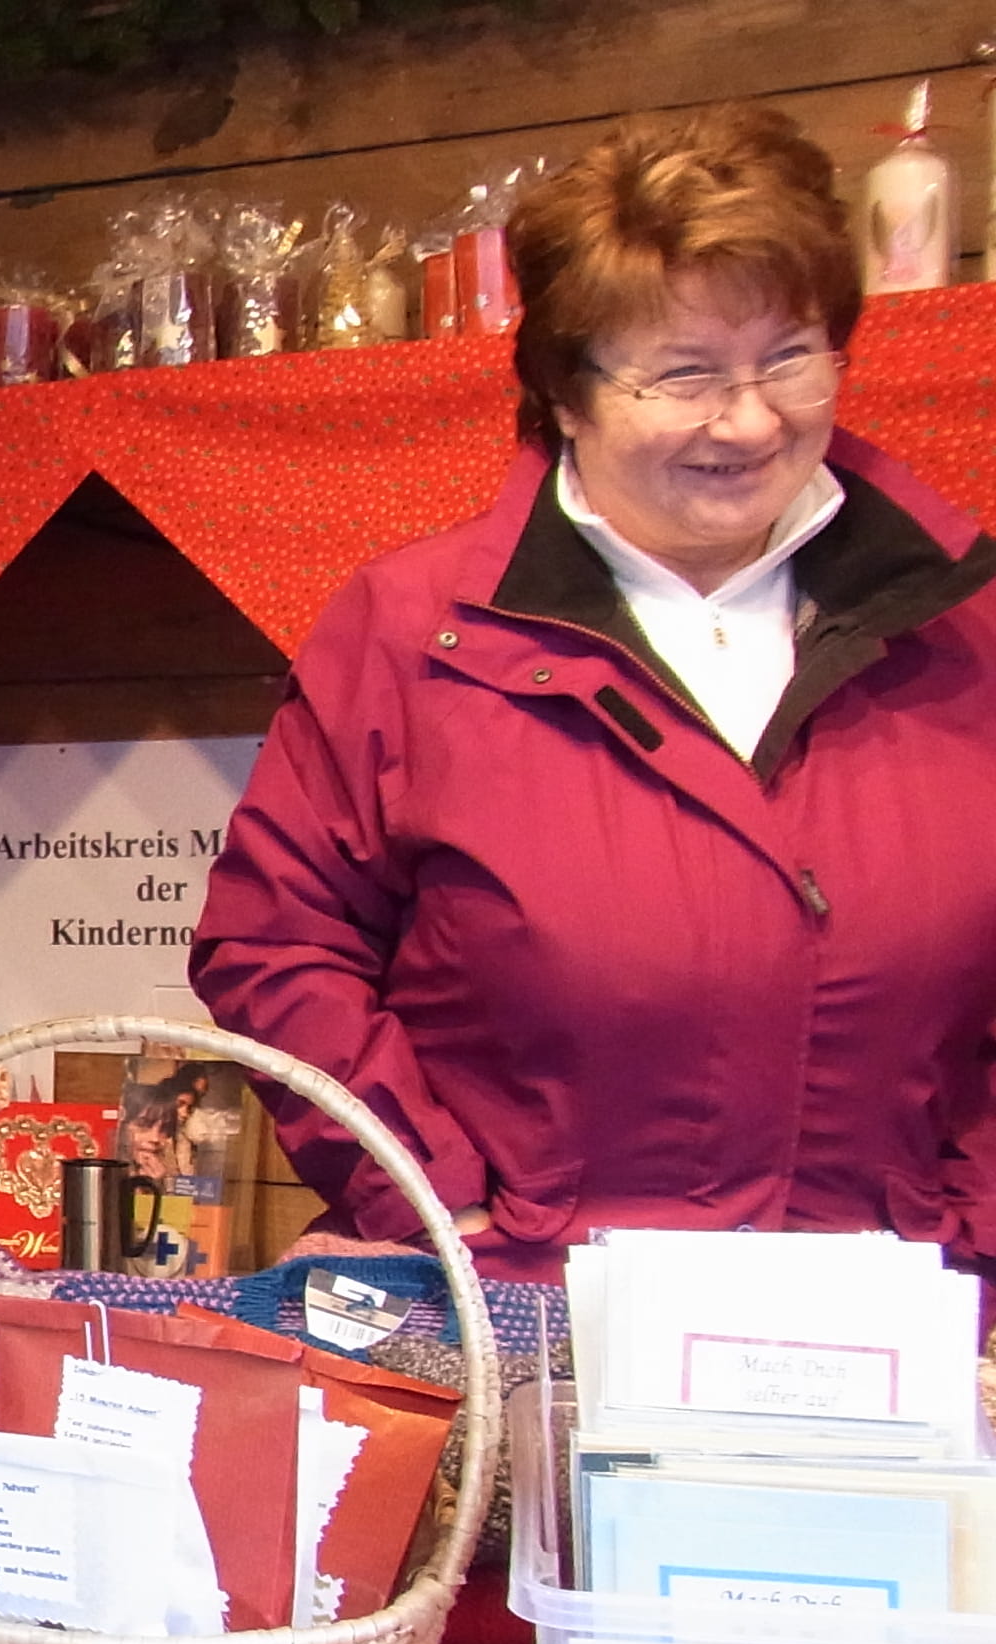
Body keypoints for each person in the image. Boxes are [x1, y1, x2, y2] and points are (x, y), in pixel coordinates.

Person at [191, 103, 996, 1281]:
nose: (752, 418)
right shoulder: (414, 631)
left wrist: (969, 1232)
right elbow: (276, 941)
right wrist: (439, 1206)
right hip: (528, 1322)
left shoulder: (969, 628)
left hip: (887, 1343)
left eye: (789, 356)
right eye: (686, 375)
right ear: (567, 393)